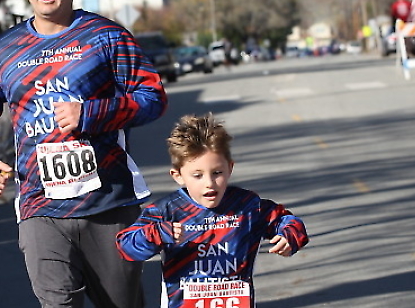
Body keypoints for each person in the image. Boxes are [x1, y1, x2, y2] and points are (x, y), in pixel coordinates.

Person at [0, 0, 168, 308]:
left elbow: (152, 98)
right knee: (57, 304)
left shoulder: (106, 37)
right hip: (40, 206)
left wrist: (90, 114)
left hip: (107, 202)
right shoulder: (1, 51)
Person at [116, 113, 308, 308]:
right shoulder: (166, 210)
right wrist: (155, 234)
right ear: (178, 175)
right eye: (197, 175)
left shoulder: (247, 206)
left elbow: (286, 221)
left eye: (217, 173)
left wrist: (289, 235)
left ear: (230, 168)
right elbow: (126, 246)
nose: (209, 183)